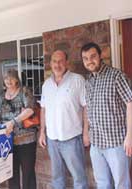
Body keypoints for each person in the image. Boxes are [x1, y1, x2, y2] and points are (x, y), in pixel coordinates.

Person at [81, 42, 132, 188]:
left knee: (122, 184)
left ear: (100, 56)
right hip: (96, 143)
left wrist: (130, 136)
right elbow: (88, 109)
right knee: (102, 183)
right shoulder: (88, 81)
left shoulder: (116, 76)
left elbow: (130, 103)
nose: (89, 61)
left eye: (92, 56)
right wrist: (86, 133)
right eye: (85, 58)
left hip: (116, 143)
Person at [39, 50, 88, 189]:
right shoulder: (46, 85)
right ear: (50, 63)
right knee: (57, 178)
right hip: (52, 139)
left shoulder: (78, 80)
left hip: (72, 139)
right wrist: (42, 132)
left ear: (67, 62)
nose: (57, 64)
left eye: (60, 61)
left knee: (79, 177)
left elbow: (86, 107)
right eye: (54, 61)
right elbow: (43, 109)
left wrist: (86, 133)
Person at [0, 69, 37, 189]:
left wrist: (13, 122)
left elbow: (30, 110)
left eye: (11, 78)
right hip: (8, 140)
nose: (9, 81)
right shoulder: (2, 95)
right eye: (6, 78)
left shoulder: (24, 91)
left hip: (26, 140)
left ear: (16, 79)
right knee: (11, 173)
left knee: (28, 173)